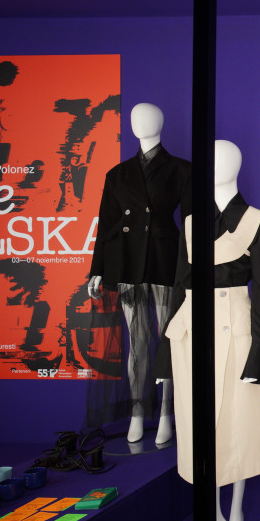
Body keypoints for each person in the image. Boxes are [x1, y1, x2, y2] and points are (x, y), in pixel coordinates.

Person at [156, 140, 260, 521]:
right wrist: (163, 354)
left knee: (238, 425)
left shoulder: (259, 222)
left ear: (235, 166)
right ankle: (215, 515)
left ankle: (236, 512)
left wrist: (259, 355)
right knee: (198, 427)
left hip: (236, 329)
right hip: (191, 331)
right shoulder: (192, 223)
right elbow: (179, 287)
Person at [87, 102, 191, 444]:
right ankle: (137, 411)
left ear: (160, 122)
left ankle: (166, 414)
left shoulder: (180, 170)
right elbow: (106, 225)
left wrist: (193, 268)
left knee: (169, 340)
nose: (139, 123)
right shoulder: (118, 174)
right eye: (134, 118)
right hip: (128, 261)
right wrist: (98, 269)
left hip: (165, 259)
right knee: (137, 342)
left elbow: (192, 225)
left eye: (146, 117)